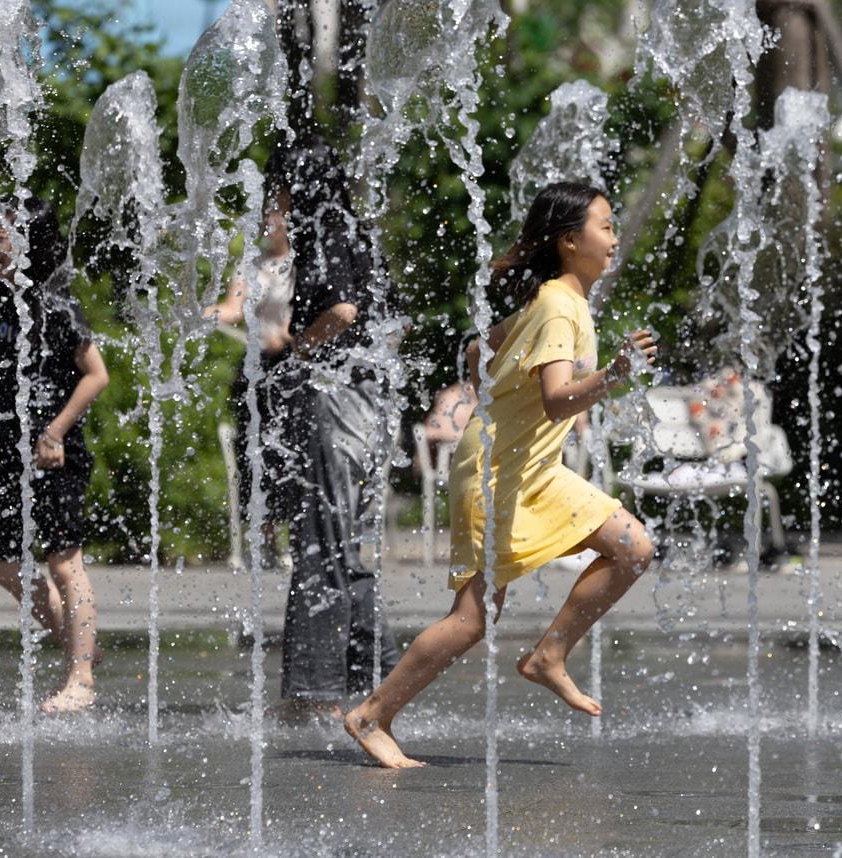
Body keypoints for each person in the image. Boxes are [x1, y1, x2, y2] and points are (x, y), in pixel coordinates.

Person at [345, 181, 658, 768]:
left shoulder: (555, 301)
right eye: (605, 226)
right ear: (570, 241)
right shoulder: (559, 306)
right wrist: (616, 372)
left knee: (633, 547)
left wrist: (491, 385)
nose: (614, 238)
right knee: (472, 619)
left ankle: (548, 657)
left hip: (533, 469)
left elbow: (478, 351)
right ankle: (371, 715)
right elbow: (558, 401)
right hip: (496, 473)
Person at [274, 140, 402, 721]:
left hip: (341, 398)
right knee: (349, 546)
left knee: (322, 542)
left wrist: (299, 351)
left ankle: (316, 695)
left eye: (276, 189)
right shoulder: (357, 233)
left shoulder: (322, 234)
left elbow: (343, 312)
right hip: (374, 399)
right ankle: (376, 681)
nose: (271, 203)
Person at [0, 198, 108, 715]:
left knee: (63, 563)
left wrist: (54, 432)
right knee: (2, 564)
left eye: (5, 234)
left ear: (30, 242)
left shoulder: (56, 303)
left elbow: (97, 375)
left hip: (53, 452)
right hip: (10, 444)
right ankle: (82, 646)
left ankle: (81, 678)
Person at [207, 184, 299, 570]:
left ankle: (295, 540)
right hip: (257, 372)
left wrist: (287, 335)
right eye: (265, 213)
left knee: (292, 453)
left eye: (275, 213)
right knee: (254, 453)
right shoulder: (250, 264)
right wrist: (204, 313)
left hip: (294, 367)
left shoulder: (301, 263)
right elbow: (232, 307)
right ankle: (261, 539)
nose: (267, 220)